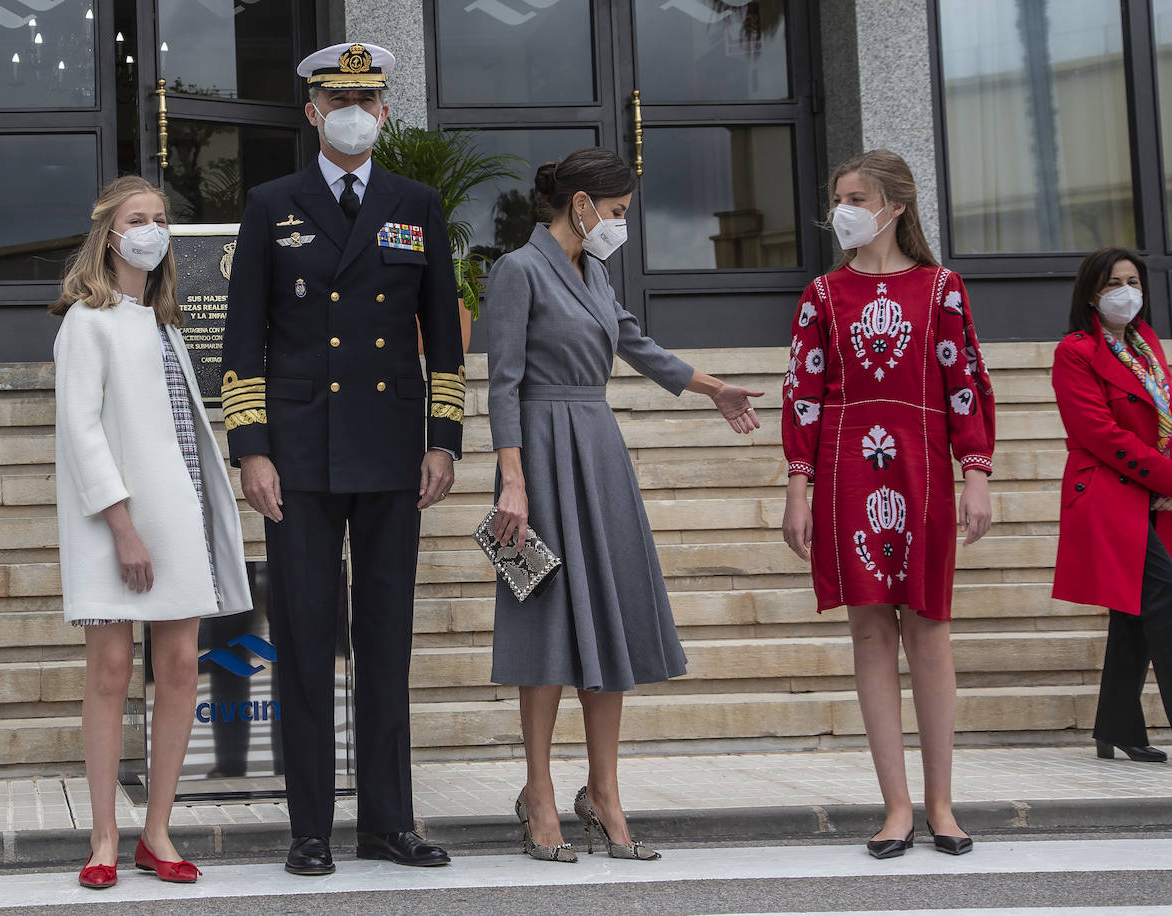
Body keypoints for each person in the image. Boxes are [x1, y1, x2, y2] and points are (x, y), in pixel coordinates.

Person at [220, 42, 462, 877]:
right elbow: (241, 339)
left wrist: (443, 439)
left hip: (394, 452)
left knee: (386, 642)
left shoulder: (417, 203)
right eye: (339, 97)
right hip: (300, 456)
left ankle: (389, 821)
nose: (356, 109)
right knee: (305, 636)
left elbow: (446, 341)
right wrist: (250, 449)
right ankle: (311, 828)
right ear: (313, 111)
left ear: (386, 111)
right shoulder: (271, 204)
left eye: (369, 97)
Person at [486, 147, 762, 863]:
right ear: (581, 204)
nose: (618, 225)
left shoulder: (595, 270)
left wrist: (714, 388)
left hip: (598, 452)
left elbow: (634, 342)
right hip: (540, 458)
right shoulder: (518, 271)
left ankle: (603, 793)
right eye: (614, 212)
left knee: (606, 626)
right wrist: (511, 482)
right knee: (544, 633)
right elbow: (503, 383)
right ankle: (539, 794)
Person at [779, 149, 995, 858]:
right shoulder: (821, 295)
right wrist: (797, 487)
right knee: (870, 634)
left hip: (925, 469)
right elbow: (802, 394)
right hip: (846, 471)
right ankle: (896, 807)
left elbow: (966, 385)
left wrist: (977, 474)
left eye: (854, 197)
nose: (842, 209)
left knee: (929, 631)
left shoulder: (942, 289)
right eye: (838, 196)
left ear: (894, 207)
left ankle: (941, 804)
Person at [52, 176, 253, 889]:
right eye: (139, 219)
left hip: (178, 518)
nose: (153, 229)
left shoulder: (162, 319)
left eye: (161, 218)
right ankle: (104, 837)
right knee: (109, 672)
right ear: (110, 234)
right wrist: (123, 527)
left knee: (176, 670)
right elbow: (81, 433)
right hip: (117, 526)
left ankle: (157, 830)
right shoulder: (87, 319)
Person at [1051, 247, 1172, 764]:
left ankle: (1116, 726)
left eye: (1133, 280)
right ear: (1093, 295)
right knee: (1165, 597)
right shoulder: (1075, 351)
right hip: (1107, 490)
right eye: (1114, 283)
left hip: (1153, 491)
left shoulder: (1146, 343)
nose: (1127, 291)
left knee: (1134, 609)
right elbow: (1098, 433)